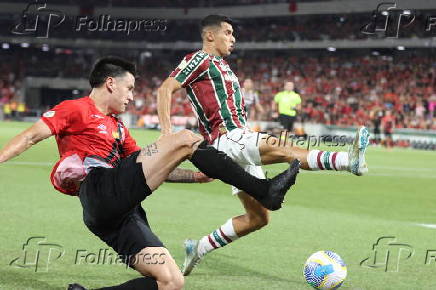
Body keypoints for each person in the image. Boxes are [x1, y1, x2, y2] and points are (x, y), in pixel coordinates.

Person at [0, 57, 301, 290]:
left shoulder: (119, 126)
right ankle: (265, 191)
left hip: (119, 212)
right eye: (129, 88)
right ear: (110, 83)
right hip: (100, 190)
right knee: (185, 138)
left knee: (170, 281)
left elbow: (149, 167)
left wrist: (196, 176)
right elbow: (30, 136)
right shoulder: (76, 108)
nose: (131, 96)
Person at [157, 14, 370, 276]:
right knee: (282, 147)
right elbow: (165, 89)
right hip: (228, 138)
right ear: (210, 35)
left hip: (237, 140)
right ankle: (348, 161)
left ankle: (198, 248)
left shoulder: (223, 66)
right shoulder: (198, 59)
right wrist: (166, 133)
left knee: (259, 218)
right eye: (228, 32)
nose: (233, 38)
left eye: (233, 34)